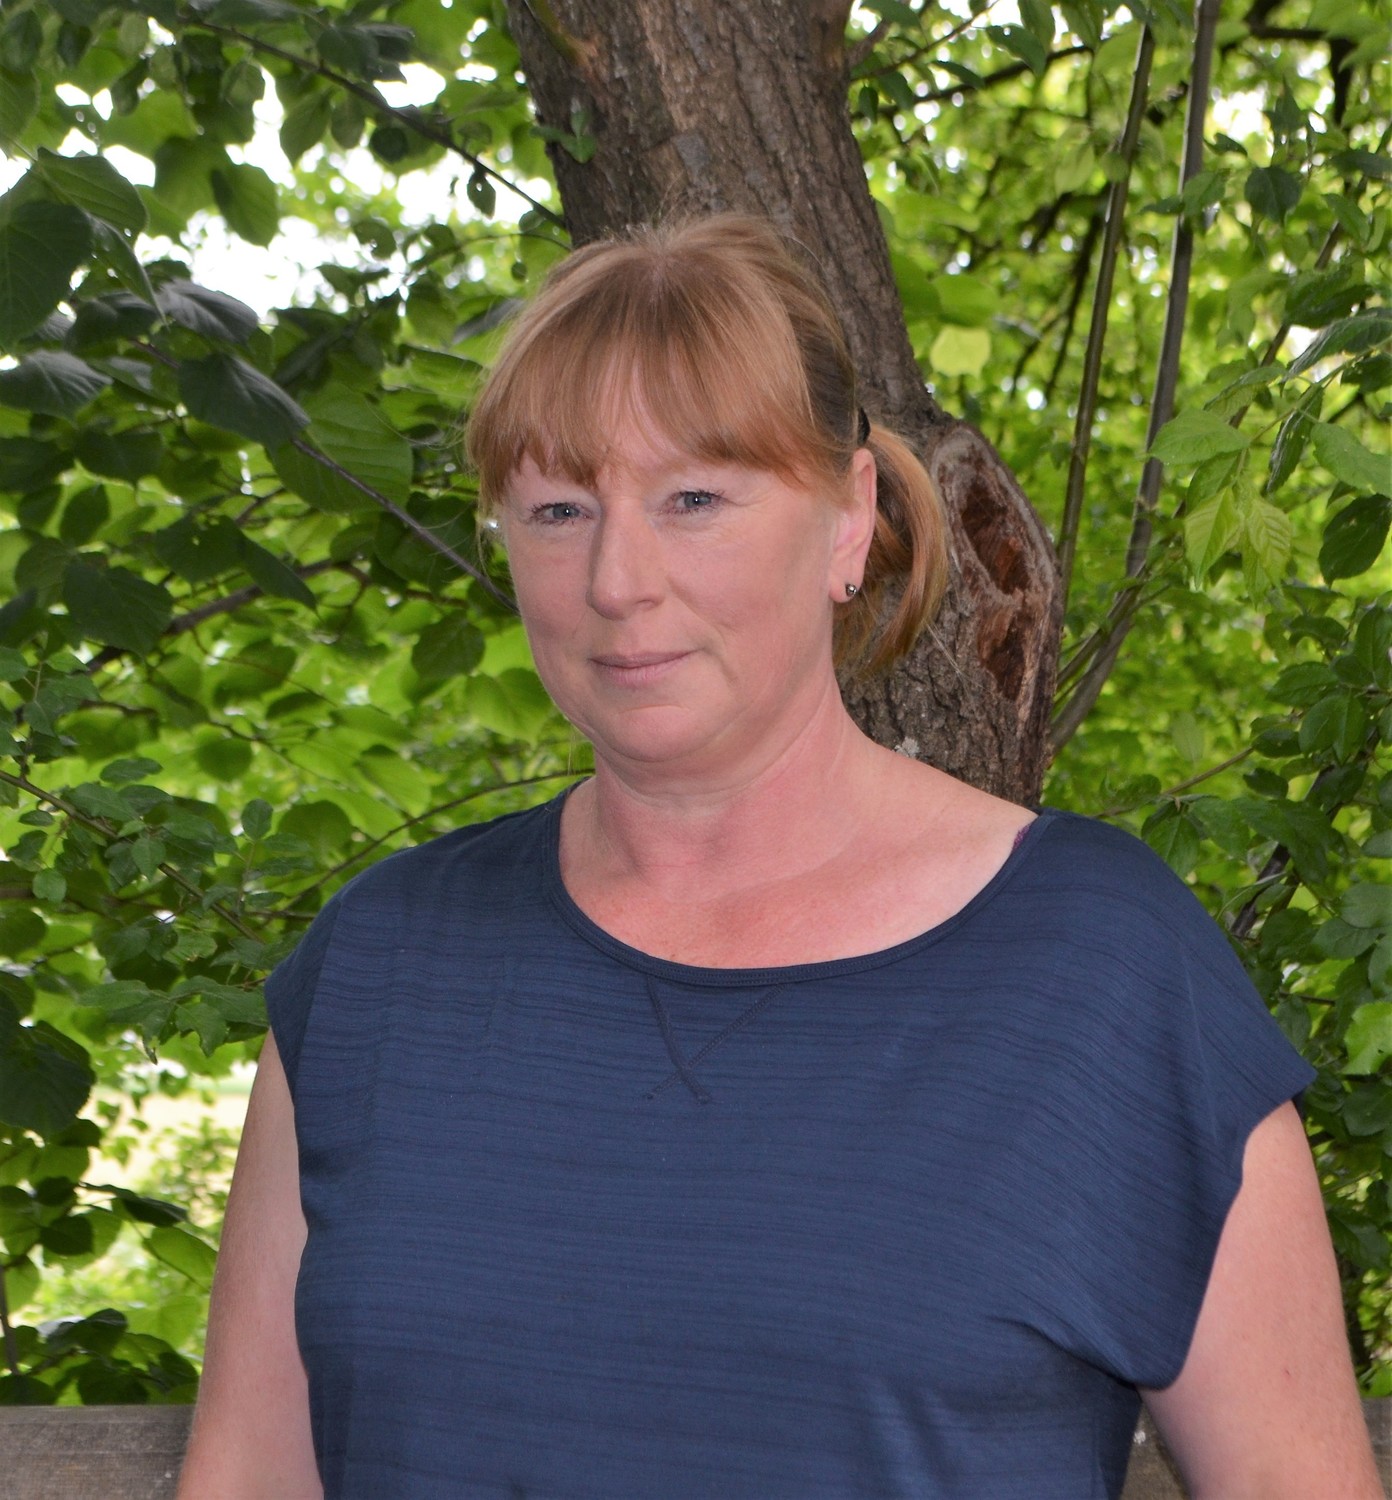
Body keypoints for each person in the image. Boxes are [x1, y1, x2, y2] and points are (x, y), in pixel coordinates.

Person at [177, 215, 1380, 1500]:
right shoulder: (378, 970)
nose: (618, 579)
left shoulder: (1104, 975)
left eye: (694, 500)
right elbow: (248, 1476)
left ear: (850, 519)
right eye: (559, 510)